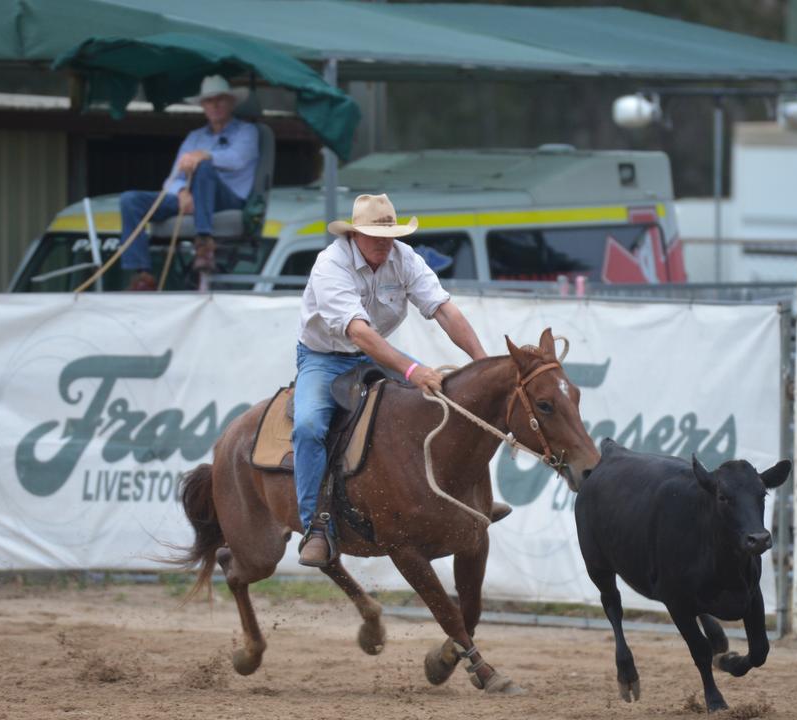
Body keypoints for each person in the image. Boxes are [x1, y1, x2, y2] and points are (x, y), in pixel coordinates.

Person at [293, 193, 507, 567]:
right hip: (323, 358)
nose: (383, 242)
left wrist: (482, 362)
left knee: (448, 402)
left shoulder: (404, 259)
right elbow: (357, 332)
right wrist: (411, 370)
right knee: (310, 425)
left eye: (389, 234)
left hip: (374, 352)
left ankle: (474, 499)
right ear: (355, 234)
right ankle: (315, 525)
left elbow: (444, 310)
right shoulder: (330, 265)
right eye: (375, 235)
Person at [119, 75, 260, 291]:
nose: (214, 105)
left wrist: (204, 155)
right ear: (203, 106)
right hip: (193, 199)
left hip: (228, 197)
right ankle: (143, 275)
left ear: (231, 103)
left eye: (220, 99)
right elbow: (173, 177)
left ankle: (204, 242)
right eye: (208, 101)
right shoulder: (194, 137)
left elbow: (237, 158)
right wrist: (183, 193)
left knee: (204, 166)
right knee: (130, 200)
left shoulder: (247, 131)